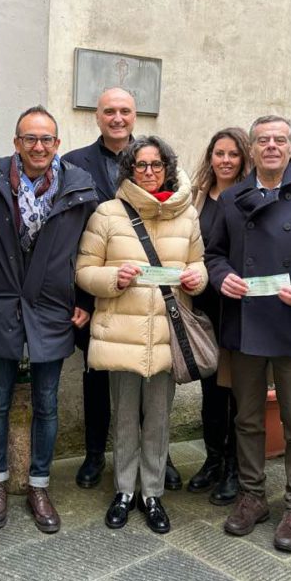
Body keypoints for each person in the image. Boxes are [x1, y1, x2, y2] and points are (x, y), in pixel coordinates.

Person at [205, 114, 291, 553]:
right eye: (262, 139)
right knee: (246, 419)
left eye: (279, 140)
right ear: (252, 149)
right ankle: (252, 496)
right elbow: (214, 255)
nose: (270, 146)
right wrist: (222, 277)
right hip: (246, 324)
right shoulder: (232, 199)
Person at [0, 105, 99, 533]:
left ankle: (39, 485)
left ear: (57, 144)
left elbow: (90, 249)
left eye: (46, 139)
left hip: (53, 304)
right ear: (16, 143)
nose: (39, 146)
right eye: (30, 138)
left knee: (47, 403)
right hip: (4, 300)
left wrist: (85, 298)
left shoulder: (79, 188)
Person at [76, 136, 206, 534]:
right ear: (129, 170)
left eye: (156, 165)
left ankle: (152, 493)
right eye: (141, 165)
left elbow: (199, 264)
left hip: (167, 334)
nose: (149, 172)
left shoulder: (187, 216)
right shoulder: (107, 213)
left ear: (167, 168)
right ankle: (124, 491)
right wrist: (114, 277)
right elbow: (84, 271)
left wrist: (197, 278)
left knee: (159, 420)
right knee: (124, 418)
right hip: (122, 334)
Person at [63, 88, 183, 491]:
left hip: (152, 297)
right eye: (109, 111)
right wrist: (81, 299)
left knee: (153, 379)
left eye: (125, 111)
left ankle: (158, 459)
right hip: (99, 292)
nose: (117, 118)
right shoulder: (73, 163)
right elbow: (71, 238)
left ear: (135, 116)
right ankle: (96, 453)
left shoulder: (157, 160)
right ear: (97, 116)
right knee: (97, 377)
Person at [187, 127, 251, 505]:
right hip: (204, 308)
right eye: (219, 153)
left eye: (233, 154)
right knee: (210, 391)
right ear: (210, 157)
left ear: (244, 159)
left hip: (236, 307)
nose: (225, 160)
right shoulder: (196, 196)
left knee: (236, 392)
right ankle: (212, 459)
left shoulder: (248, 197)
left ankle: (233, 467)